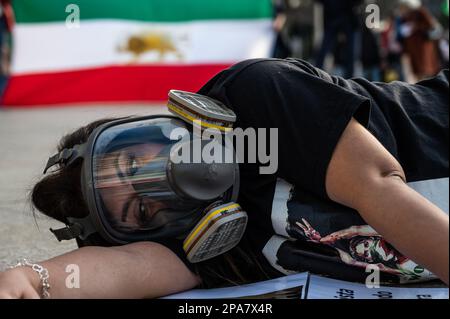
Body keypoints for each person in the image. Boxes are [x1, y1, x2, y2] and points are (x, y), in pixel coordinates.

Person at [0, 58, 448, 298]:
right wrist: (31, 280)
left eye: (133, 164)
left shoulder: (254, 98)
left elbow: (379, 183)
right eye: (141, 209)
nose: (162, 183)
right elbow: (122, 270)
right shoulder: (208, 246)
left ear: (139, 130)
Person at [314, 0, 362, 78]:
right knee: (323, 51)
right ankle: (315, 76)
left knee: (351, 54)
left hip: (347, 15)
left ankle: (350, 80)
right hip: (333, 16)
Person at [397, 0, 442, 80]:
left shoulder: (420, 12)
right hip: (412, 50)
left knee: (425, 73)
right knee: (417, 74)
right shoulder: (403, 17)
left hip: (423, 49)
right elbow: (401, 33)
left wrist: (416, 26)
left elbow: (431, 26)